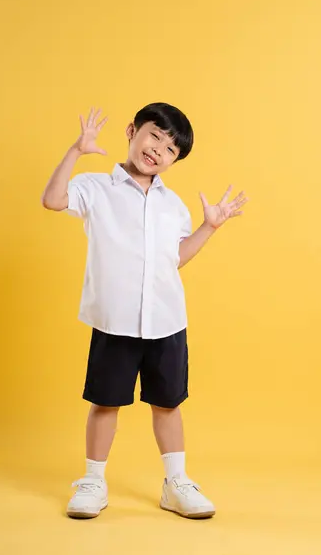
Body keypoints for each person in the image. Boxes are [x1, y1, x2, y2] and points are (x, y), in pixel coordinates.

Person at [41, 102, 248, 520]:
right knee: (104, 402)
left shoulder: (174, 206)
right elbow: (52, 199)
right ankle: (93, 480)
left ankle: (176, 482)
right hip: (114, 319)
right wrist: (76, 151)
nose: (158, 150)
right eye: (155, 135)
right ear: (132, 130)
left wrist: (209, 226)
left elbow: (176, 257)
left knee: (168, 403)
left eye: (171, 149)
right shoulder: (97, 188)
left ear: (174, 161)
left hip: (166, 319)